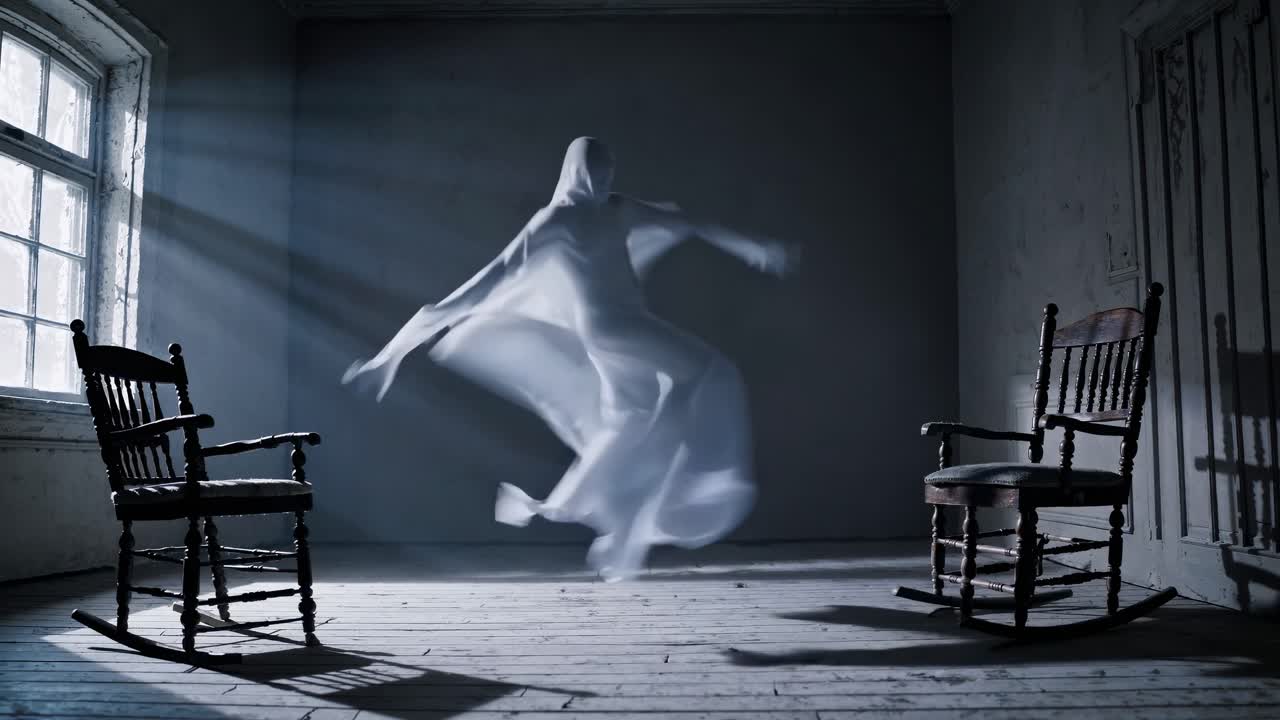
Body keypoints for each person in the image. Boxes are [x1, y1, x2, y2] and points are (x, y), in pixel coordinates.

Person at [343, 137, 791, 580]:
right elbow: (479, 288)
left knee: (628, 420)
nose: (599, 181)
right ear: (574, 172)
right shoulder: (554, 221)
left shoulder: (615, 208)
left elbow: (686, 220)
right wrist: (391, 355)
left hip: (618, 332)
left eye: (607, 172)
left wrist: (749, 245)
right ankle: (652, 488)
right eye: (593, 172)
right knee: (704, 372)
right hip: (618, 329)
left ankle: (599, 521)